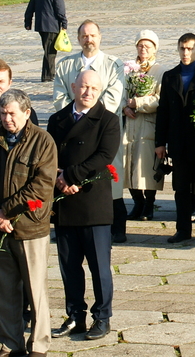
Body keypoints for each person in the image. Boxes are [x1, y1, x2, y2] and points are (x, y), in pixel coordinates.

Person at [0, 88, 57, 357]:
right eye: (2, 113)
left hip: (30, 226)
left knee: (35, 290)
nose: (6, 118)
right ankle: (9, 343)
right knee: (4, 290)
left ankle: (39, 344)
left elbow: (42, 185)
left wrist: (7, 212)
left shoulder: (43, 141)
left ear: (26, 112)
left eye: (11, 113)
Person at [48, 69, 120, 341]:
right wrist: (58, 177)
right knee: (69, 265)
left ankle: (102, 317)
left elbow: (104, 155)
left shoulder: (108, 120)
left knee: (99, 267)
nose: (88, 92)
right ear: (73, 86)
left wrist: (72, 175)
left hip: (92, 202)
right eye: (83, 87)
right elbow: (49, 152)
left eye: (93, 88)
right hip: (65, 201)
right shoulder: (58, 119)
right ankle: (75, 315)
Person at [53, 20, 127, 244]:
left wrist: (88, 115)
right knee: (68, 176)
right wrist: (76, 115)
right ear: (78, 39)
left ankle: (116, 226)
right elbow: (59, 96)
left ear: (100, 37)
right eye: (84, 36)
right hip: (70, 129)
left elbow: (113, 98)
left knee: (108, 177)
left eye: (93, 35)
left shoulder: (113, 65)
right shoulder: (65, 65)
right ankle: (66, 222)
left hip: (101, 131)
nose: (89, 39)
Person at [155, 34, 195, 244]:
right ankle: (183, 229)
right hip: (178, 141)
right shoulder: (169, 76)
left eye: (190, 49)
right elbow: (163, 111)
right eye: (182, 48)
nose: (185, 53)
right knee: (180, 188)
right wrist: (160, 143)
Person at [122, 31, 165, 223]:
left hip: (148, 123)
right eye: (140, 46)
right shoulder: (129, 69)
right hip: (130, 124)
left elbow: (159, 98)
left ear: (154, 48)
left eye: (147, 46)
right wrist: (124, 106)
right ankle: (136, 201)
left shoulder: (159, 71)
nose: (143, 49)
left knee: (145, 166)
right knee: (128, 163)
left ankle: (149, 203)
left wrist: (138, 103)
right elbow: (121, 91)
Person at [24, 0, 67, 83]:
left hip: (40, 24)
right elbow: (59, 8)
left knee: (48, 48)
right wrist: (64, 22)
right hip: (51, 24)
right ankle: (48, 75)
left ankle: (48, 73)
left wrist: (28, 22)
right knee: (50, 50)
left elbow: (30, 6)